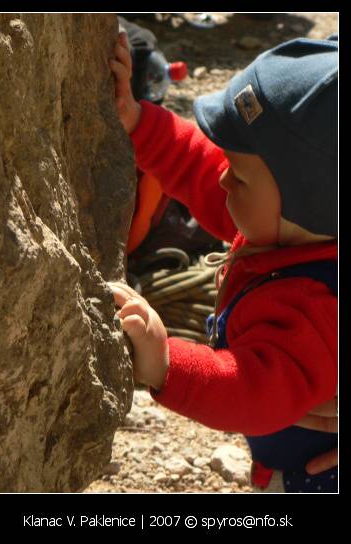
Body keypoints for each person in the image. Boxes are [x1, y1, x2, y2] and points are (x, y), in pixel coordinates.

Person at [108, 32, 338, 492]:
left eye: (241, 176)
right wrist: (137, 122)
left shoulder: (316, 309)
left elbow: (250, 389)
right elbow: (199, 166)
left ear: (302, 203)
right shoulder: (280, 222)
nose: (224, 178)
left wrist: (166, 363)